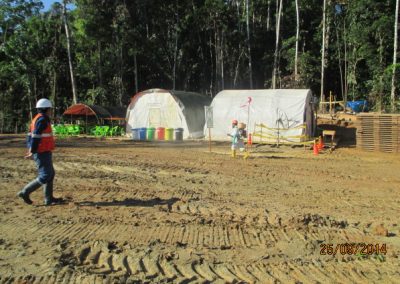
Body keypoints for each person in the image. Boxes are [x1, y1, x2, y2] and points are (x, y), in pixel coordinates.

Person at [17, 98, 63, 206]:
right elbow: (36, 136)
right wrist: (32, 150)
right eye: (50, 109)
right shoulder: (42, 120)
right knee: (45, 175)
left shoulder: (36, 118)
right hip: (41, 151)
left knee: (50, 173)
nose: (51, 111)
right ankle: (25, 192)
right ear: (46, 109)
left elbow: (29, 135)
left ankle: (49, 198)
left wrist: (30, 148)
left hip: (43, 150)